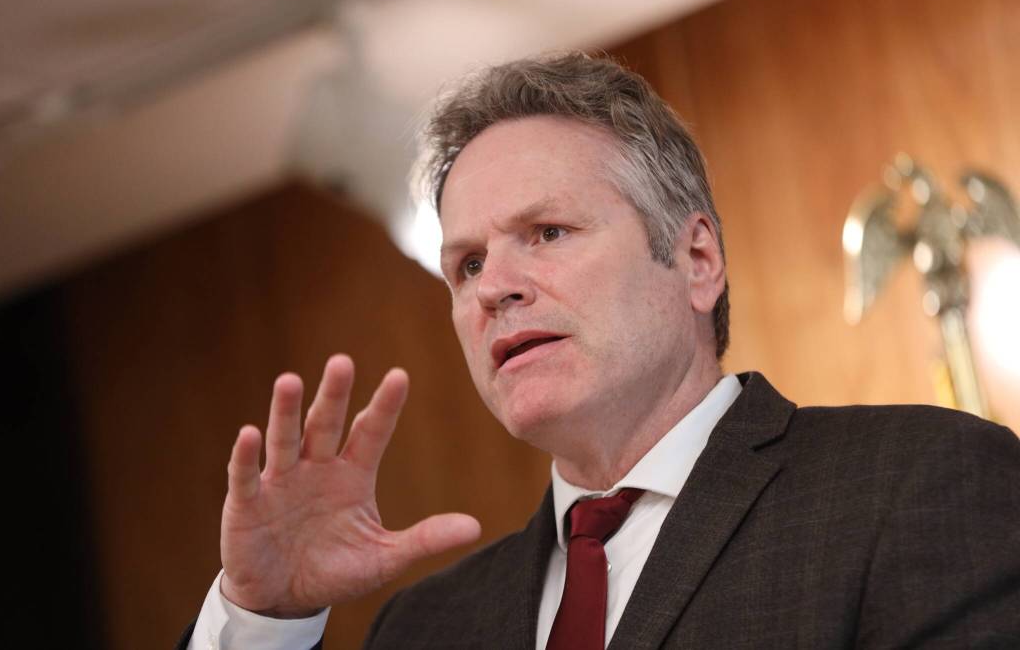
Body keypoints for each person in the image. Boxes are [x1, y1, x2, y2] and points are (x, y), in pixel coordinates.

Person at [180, 53, 1020, 649]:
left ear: (697, 260)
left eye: (547, 232)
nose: (493, 286)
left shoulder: (916, 481)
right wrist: (263, 619)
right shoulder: (426, 628)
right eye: (466, 264)